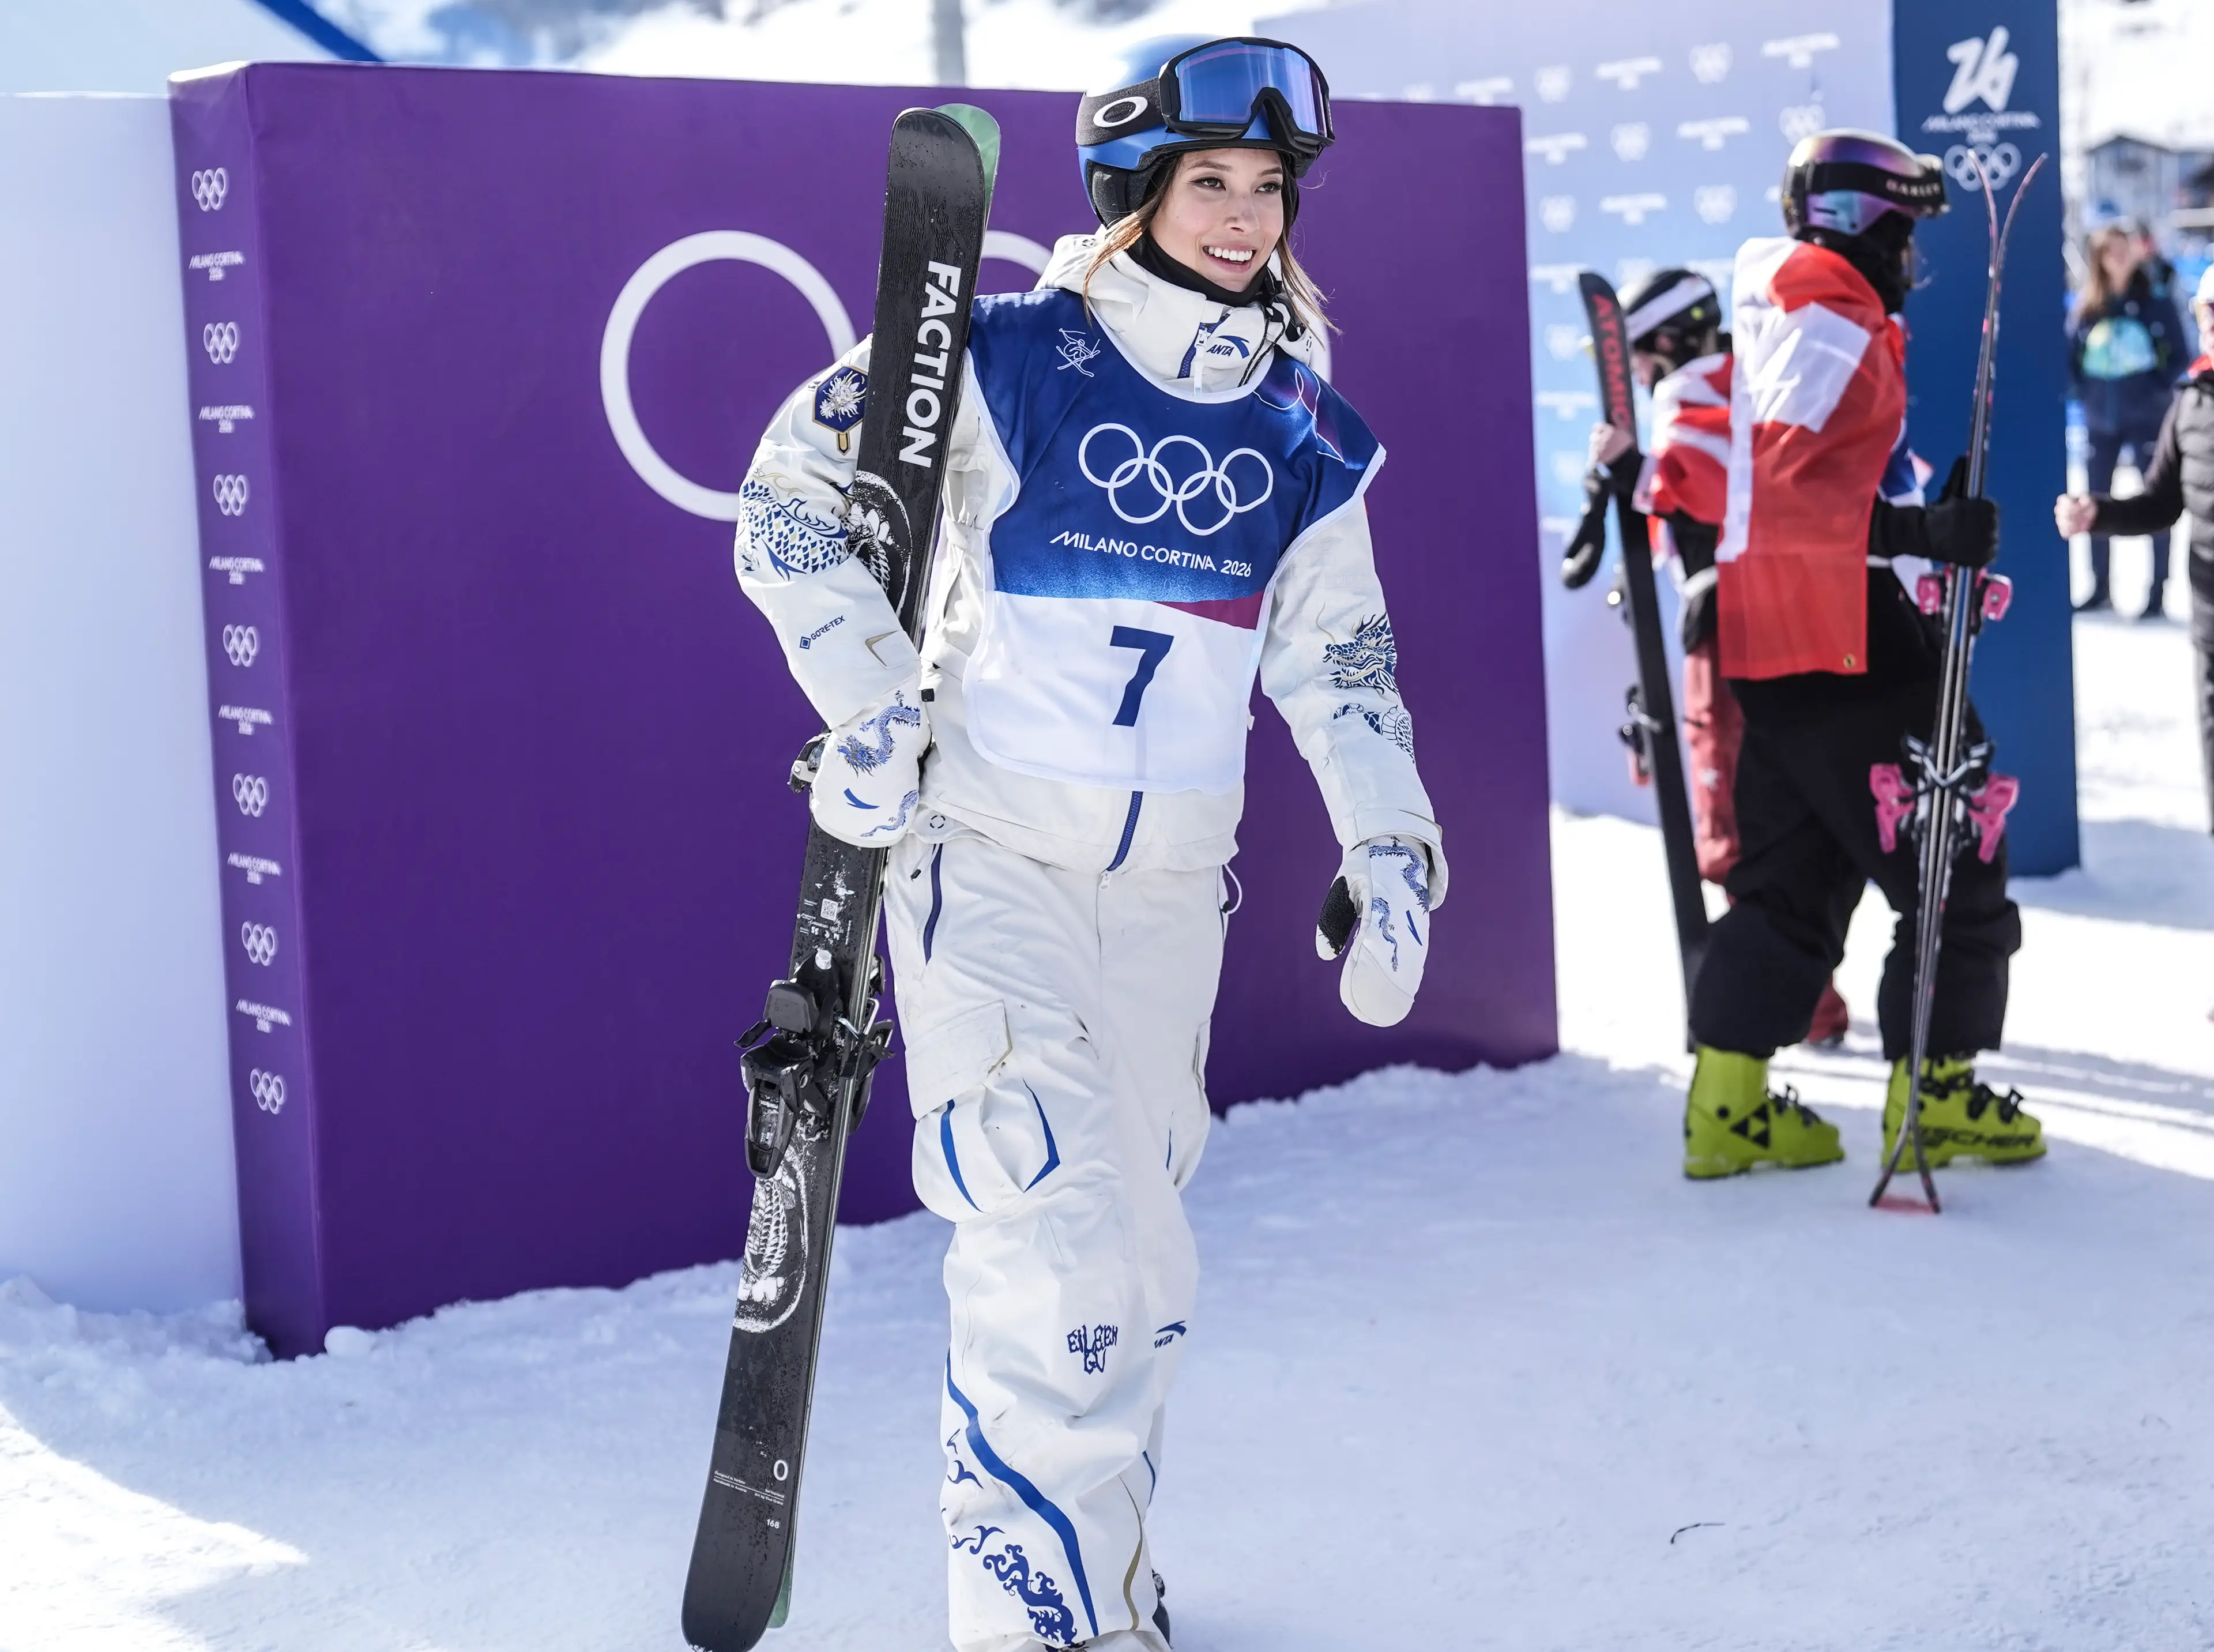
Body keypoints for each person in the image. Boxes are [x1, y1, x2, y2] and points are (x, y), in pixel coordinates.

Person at [732, 36, 1443, 1651]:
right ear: (1133, 191)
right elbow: (785, 501)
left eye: (1269, 188)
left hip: (1174, 893)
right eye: (1212, 183)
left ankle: (1104, 1586)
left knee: (1138, 1262)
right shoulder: (1004, 355)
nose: (1247, 216)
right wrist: (865, 706)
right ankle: (1032, 1618)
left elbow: (1342, 663)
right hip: (991, 859)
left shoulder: (1303, 428)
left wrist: (1391, 845)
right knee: (1048, 1234)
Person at [1683, 129, 2044, 1180]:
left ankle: (1728, 1105)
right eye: (1907, 235)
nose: (1913, 264)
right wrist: (1917, 537)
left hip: (1778, 636)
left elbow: (1783, 476)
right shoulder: (1827, 306)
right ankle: (1935, 1095)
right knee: (1954, 855)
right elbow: (1793, 484)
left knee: (1796, 872)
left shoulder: (1789, 301)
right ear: (1864, 224)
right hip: (1842, 635)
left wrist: (1909, 524)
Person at [1570, 267, 1852, 1048]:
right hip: (1786, 621)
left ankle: (1786, 1007)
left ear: (1666, 340)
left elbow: (1707, 485)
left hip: (1727, 629)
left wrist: (1635, 472)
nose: (1637, 377)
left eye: (1638, 358)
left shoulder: (1697, 385)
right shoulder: (1758, 376)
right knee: (1781, 817)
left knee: (1732, 820)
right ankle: (1808, 999)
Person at [2057, 263, 2214, 831]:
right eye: (2207, 311)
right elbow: (2160, 503)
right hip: (2210, 628)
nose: (2212, 324)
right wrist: (2099, 512)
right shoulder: (2192, 403)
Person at [2068, 221, 2190, 616]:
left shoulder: (2157, 301)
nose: (2118, 258)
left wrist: (2153, 389)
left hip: (2148, 417)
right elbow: (2070, 358)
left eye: (2125, 249)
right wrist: (2086, 394)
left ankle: (2157, 591)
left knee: (2155, 500)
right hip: (2101, 419)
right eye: (2110, 251)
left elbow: (2180, 355)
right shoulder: (2089, 306)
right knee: (2094, 500)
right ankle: (2100, 583)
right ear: (2099, 259)